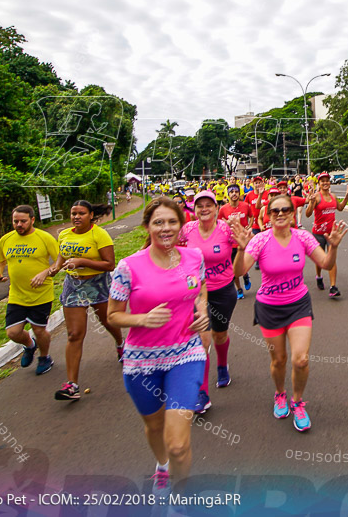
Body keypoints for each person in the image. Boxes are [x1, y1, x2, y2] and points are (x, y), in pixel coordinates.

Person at [107, 197, 209, 495]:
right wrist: (142, 319)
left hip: (186, 354)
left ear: (181, 225)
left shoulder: (194, 258)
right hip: (141, 362)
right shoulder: (129, 267)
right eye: (159, 222)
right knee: (154, 427)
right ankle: (162, 465)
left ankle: (180, 499)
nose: (166, 228)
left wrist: (202, 310)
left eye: (172, 222)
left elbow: (200, 289)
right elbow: (113, 315)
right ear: (147, 226)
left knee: (178, 444)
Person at [230, 194, 348, 432]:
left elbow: (325, 263)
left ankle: (297, 401)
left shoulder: (302, 237)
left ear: (292, 213)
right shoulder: (260, 240)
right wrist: (241, 250)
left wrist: (333, 247)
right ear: (269, 216)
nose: (281, 213)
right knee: (279, 360)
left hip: (298, 305)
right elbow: (239, 270)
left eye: (286, 209)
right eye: (275, 211)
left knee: (300, 359)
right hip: (269, 307)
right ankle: (280, 394)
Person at [49, 200, 125, 402]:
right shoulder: (64, 234)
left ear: (91, 215)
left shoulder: (99, 234)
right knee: (74, 334)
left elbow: (109, 265)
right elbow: (61, 258)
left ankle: (120, 343)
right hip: (73, 286)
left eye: (81, 213)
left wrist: (82, 261)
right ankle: (71, 385)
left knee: (108, 321)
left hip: (97, 284)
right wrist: (52, 270)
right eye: (73, 213)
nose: (76, 217)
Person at [179, 191, 240, 408]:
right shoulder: (187, 230)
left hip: (223, 290)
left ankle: (222, 365)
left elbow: (245, 244)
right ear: (194, 210)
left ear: (216, 208)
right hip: (195, 293)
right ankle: (202, 392)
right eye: (199, 206)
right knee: (201, 341)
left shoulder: (225, 228)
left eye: (208, 205)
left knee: (219, 335)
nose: (204, 209)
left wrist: (239, 230)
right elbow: (172, 249)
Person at [0, 205, 61, 376]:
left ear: (32, 220)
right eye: (15, 221)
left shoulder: (44, 238)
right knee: (13, 332)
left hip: (41, 295)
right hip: (17, 295)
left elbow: (59, 261)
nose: (19, 225)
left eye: (23, 221)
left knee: (39, 330)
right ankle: (30, 346)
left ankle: (45, 357)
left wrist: (45, 273)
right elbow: (0, 260)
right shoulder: (6, 239)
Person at [304, 173, 348, 299]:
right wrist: (311, 202)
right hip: (318, 233)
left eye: (327, 181)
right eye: (322, 181)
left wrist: (346, 198)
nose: (325, 183)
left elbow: (340, 208)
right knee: (320, 260)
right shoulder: (317, 197)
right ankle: (319, 276)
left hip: (331, 235)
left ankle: (333, 287)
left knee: (331, 259)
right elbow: (308, 214)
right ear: (319, 184)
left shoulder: (333, 196)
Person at [219, 184, 254, 297]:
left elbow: (251, 216)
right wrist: (226, 224)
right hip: (230, 243)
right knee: (233, 269)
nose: (234, 194)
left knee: (244, 264)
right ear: (228, 194)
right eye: (231, 192)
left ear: (239, 194)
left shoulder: (245, 205)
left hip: (244, 241)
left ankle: (245, 276)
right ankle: (239, 289)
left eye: (236, 192)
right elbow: (219, 224)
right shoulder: (223, 209)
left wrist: (249, 225)